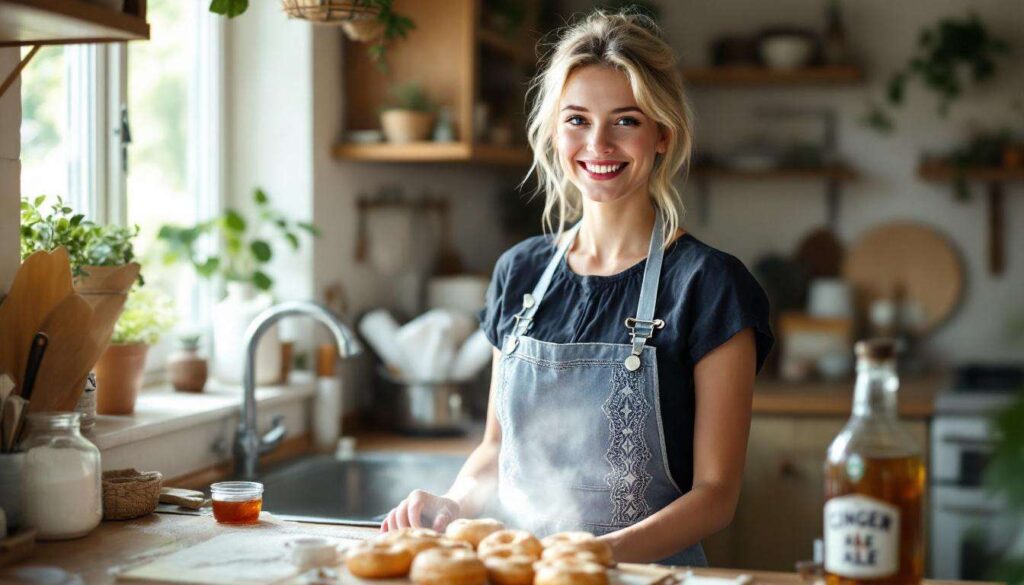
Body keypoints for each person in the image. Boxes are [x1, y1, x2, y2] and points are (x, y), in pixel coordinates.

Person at [381, 10, 774, 566]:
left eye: (626, 121)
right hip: (523, 572)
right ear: (552, 131)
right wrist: (451, 503)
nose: (599, 144)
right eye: (576, 119)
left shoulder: (711, 287)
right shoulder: (518, 273)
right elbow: (496, 452)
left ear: (663, 134)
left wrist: (595, 555)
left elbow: (715, 496)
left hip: (644, 575)